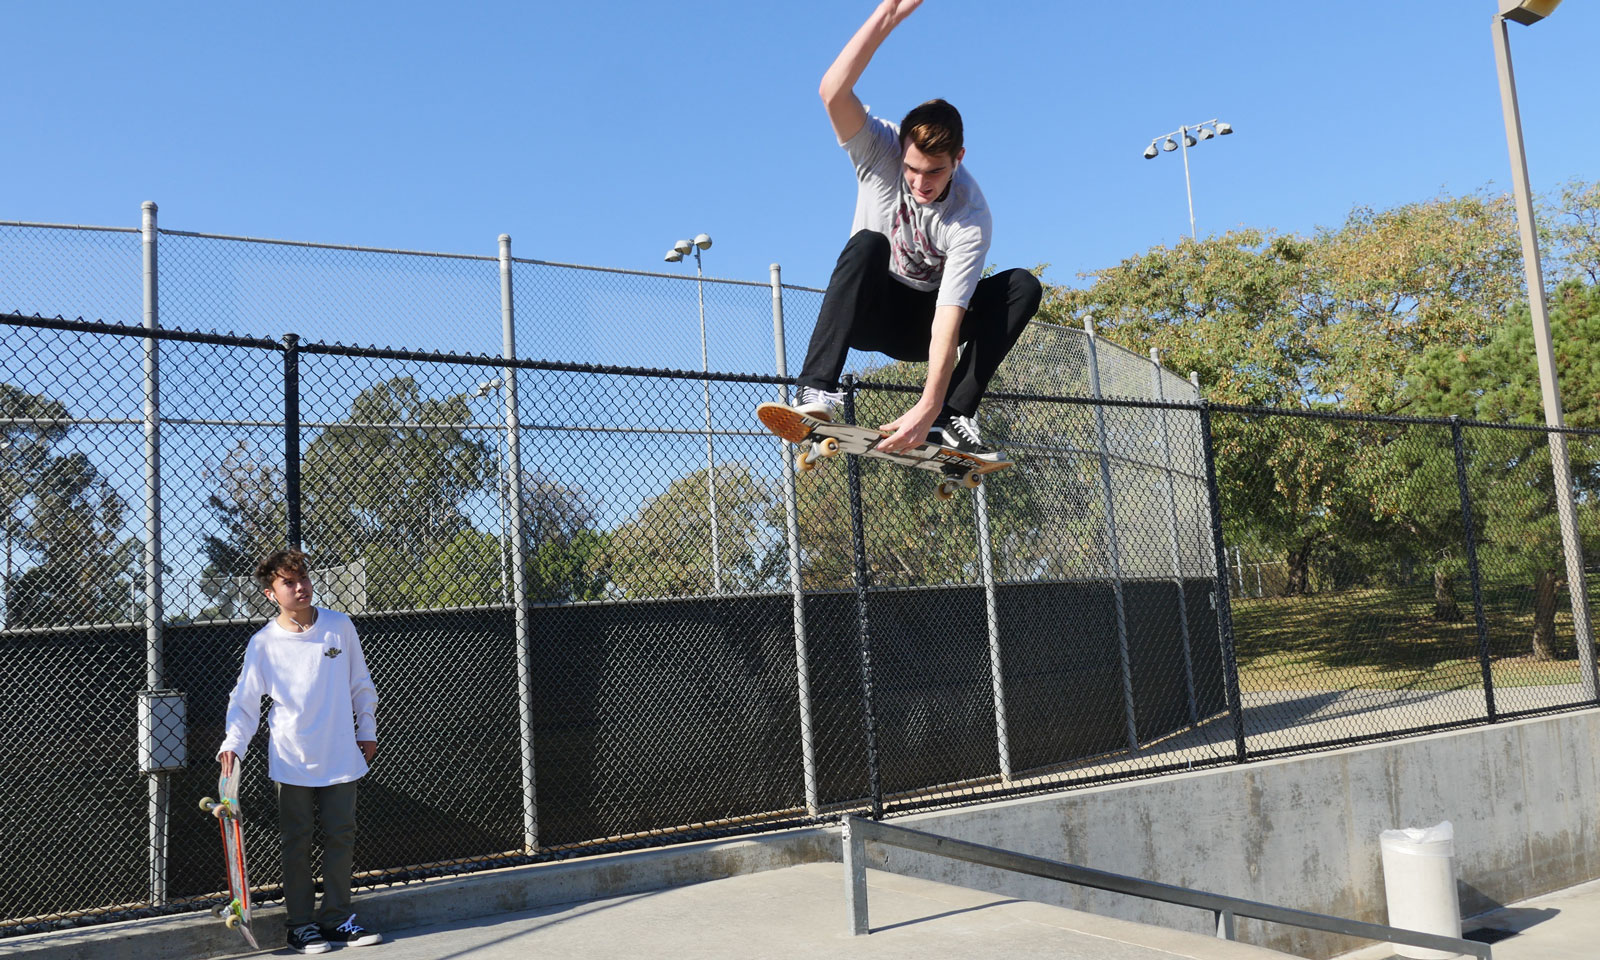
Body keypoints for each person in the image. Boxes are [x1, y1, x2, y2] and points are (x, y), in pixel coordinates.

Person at [794, 0, 1043, 462]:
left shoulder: (970, 215)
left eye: (935, 173)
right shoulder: (878, 148)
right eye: (912, 170)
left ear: (958, 160)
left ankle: (954, 417)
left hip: (924, 326)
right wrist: (888, 13)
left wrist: (928, 407)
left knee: (1022, 286)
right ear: (900, 148)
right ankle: (816, 391)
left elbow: (948, 320)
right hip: (870, 310)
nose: (921, 184)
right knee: (868, 244)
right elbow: (832, 91)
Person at [218, 548, 382, 954]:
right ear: (272, 593)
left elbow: (360, 682)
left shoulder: (339, 627)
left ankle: (337, 919)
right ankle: (301, 926)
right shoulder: (263, 644)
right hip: (291, 759)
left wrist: (368, 728)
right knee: (297, 840)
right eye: (288, 583)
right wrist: (232, 745)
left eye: (303, 579)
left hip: (342, 754)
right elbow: (245, 701)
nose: (300, 587)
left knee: (342, 835)